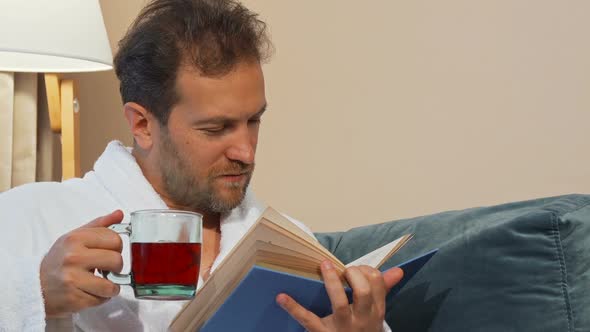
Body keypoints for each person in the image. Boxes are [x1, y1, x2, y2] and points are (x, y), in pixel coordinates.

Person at [0, 0, 403, 331]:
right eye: (216, 128)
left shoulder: (287, 245)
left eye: (254, 120)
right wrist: (36, 298)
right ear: (142, 124)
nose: (246, 151)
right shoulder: (29, 218)